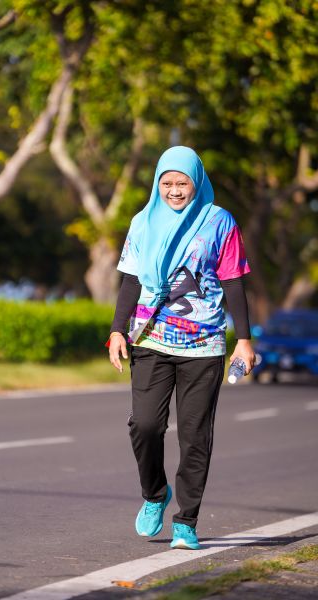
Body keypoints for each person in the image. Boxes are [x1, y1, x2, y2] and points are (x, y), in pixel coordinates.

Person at [107, 146, 255, 550]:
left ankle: (186, 521)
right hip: (150, 339)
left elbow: (233, 281)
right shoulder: (142, 222)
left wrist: (243, 340)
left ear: (197, 182)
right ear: (158, 184)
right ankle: (155, 494)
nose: (174, 190)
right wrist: (117, 330)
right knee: (145, 425)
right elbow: (131, 280)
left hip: (204, 345)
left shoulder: (219, 221)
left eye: (182, 182)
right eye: (167, 183)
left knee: (195, 436)